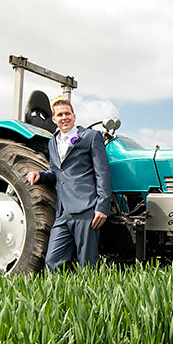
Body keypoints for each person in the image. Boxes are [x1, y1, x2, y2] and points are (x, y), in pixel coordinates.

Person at [26, 96, 112, 270]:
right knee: (52, 261)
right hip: (63, 211)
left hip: (86, 208)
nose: (64, 117)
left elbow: (102, 173)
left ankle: (89, 294)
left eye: (67, 113)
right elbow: (56, 172)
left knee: (87, 263)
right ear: (54, 119)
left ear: (74, 116)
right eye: (60, 115)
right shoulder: (52, 142)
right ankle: (64, 295)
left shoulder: (90, 137)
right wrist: (40, 175)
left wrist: (102, 207)